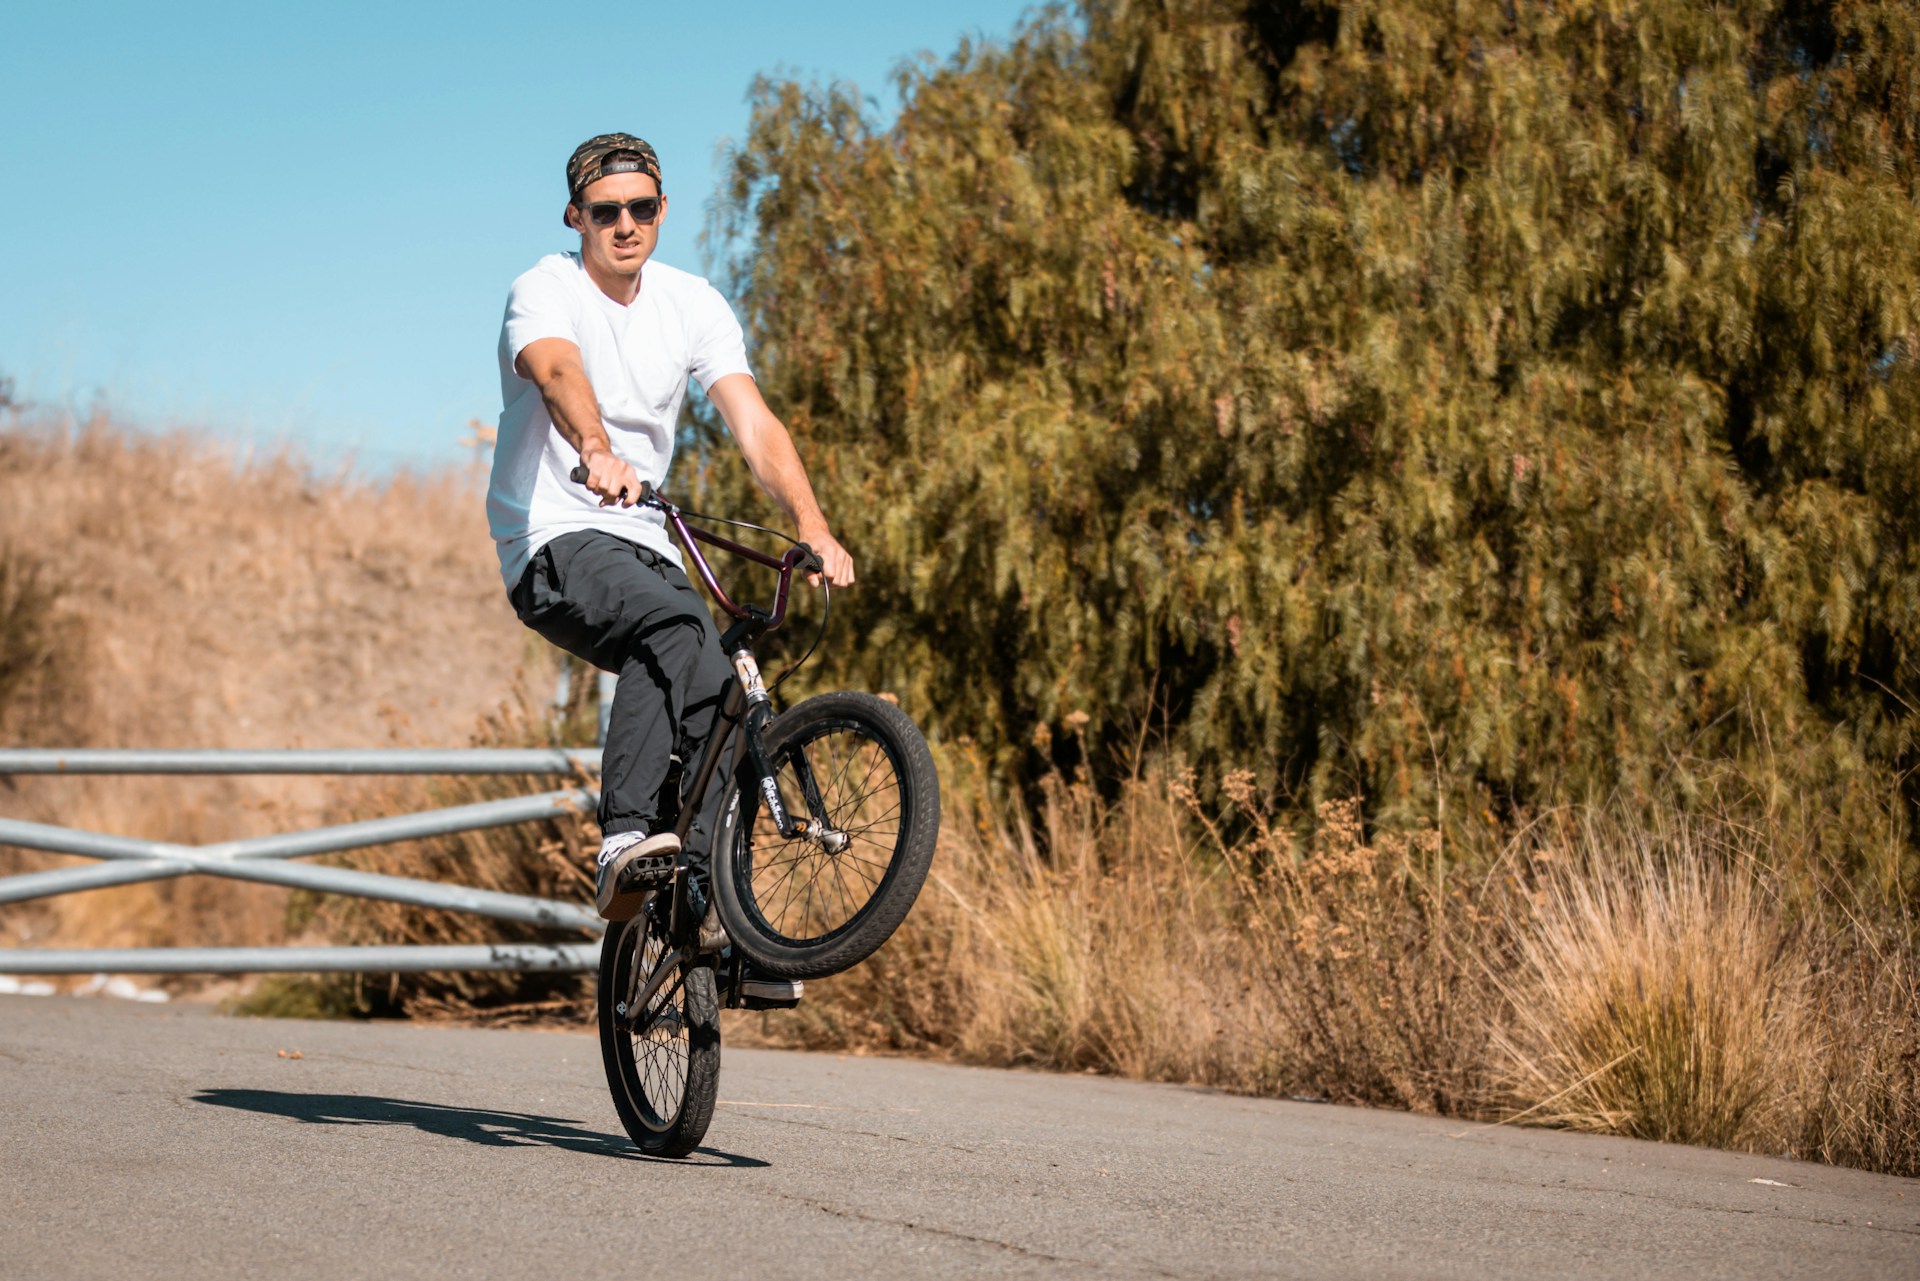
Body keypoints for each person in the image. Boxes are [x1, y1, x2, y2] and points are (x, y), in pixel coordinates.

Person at [486, 133, 855, 950]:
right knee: (673, 626)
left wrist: (813, 523)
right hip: (553, 534)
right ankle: (622, 840)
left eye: (641, 208)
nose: (625, 224)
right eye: (606, 211)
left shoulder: (692, 303)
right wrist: (596, 448)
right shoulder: (545, 288)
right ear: (576, 215)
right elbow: (555, 373)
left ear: (661, 211)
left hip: (645, 540)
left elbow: (753, 423)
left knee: (716, 690)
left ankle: (706, 910)